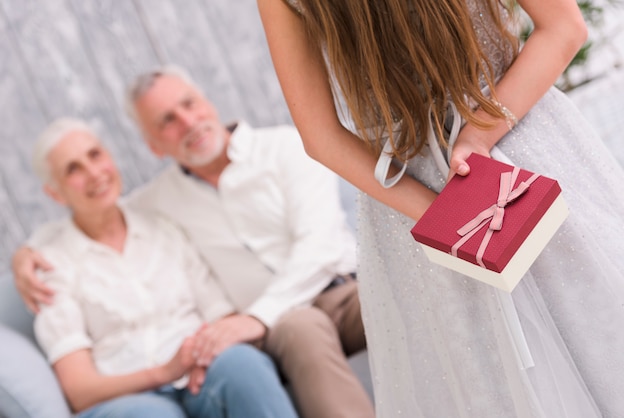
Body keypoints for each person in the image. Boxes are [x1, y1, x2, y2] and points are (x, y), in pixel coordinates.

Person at [257, 0, 624, 417]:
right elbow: (320, 136)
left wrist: (459, 174)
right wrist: (449, 204)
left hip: (499, 158)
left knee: (593, 336)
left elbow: (564, 28)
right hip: (474, 168)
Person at [13, 66, 373, 418]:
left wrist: (254, 319)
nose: (187, 122)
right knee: (300, 328)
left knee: (413, 285)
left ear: (208, 103)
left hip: (341, 292)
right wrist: (28, 253)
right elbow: (95, 213)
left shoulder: (286, 147)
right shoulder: (158, 202)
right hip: (284, 326)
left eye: (189, 104)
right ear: (154, 146)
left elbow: (320, 246)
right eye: (167, 120)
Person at [27, 118, 298, 418]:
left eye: (95, 155)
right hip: (127, 398)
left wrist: (205, 355)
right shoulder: (50, 265)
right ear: (55, 193)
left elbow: (222, 316)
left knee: (243, 364)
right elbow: (81, 391)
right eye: (73, 169)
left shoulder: (164, 227)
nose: (94, 173)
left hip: (199, 373)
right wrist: (165, 372)